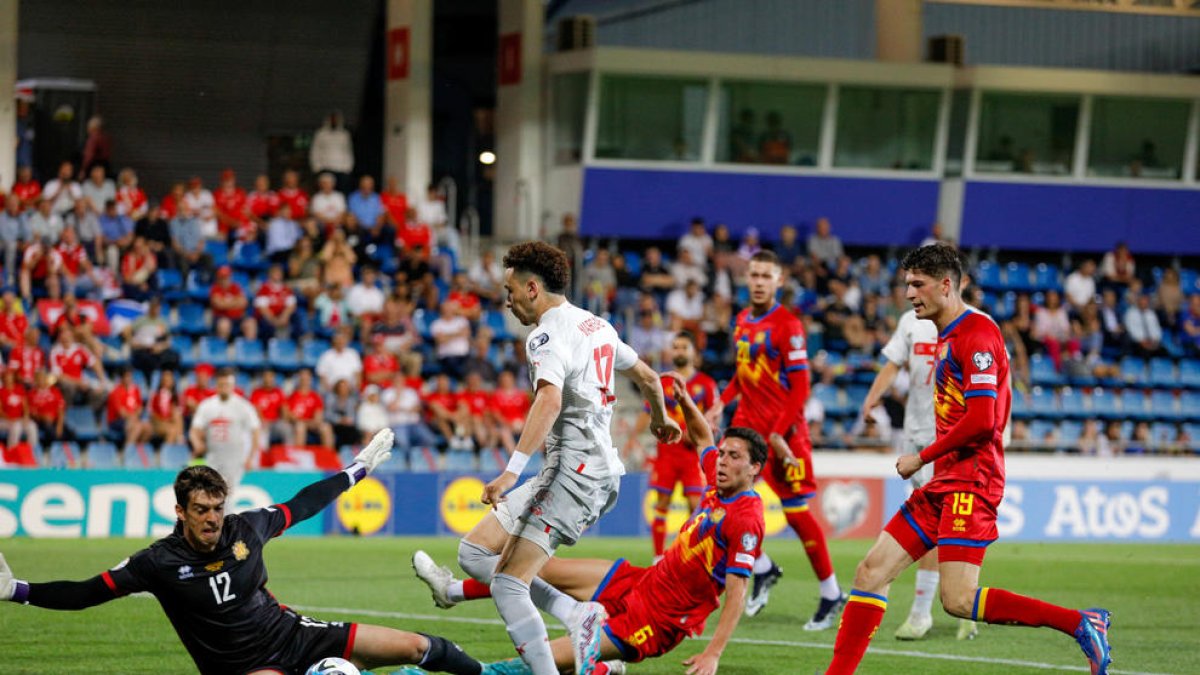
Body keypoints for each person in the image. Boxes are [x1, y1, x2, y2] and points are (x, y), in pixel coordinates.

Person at [0, 432, 520, 675]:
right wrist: (17, 591)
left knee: (418, 645)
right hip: (244, 668)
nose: (212, 518)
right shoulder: (156, 564)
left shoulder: (245, 527)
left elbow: (302, 504)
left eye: (217, 508)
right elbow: (85, 593)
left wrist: (355, 471)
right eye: (201, 509)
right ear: (180, 511)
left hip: (294, 635)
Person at [825, 244, 1111, 675]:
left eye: (917, 284)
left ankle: (1080, 623)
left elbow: (981, 420)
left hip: (971, 482)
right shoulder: (945, 333)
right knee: (870, 571)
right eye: (906, 284)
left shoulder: (977, 334)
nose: (908, 293)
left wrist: (921, 456)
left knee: (958, 600)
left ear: (945, 285)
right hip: (946, 479)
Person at [414, 371, 765, 675]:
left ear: (754, 469)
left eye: (733, 457)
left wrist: (713, 652)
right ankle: (451, 591)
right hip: (641, 581)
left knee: (541, 659)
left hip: (659, 620)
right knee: (536, 567)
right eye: (723, 454)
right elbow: (704, 438)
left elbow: (736, 593)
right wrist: (686, 402)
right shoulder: (717, 484)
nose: (721, 462)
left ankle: (599, 667)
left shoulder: (746, 519)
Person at [474, 241, 680, 675]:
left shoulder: (545, 335)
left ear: (532, 288)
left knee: (509, 585)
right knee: (475, 552)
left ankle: (563, 646)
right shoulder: (597, 325)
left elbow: (548, 401)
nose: (507, 301)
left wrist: (511, 472)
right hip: (596, 471)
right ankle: (573, 613)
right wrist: (660, 420)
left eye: (511, 291)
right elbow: (648, 377)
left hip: (573, 473)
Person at [703, 250, 845, 626]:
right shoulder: (742, 320)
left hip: (785, 433)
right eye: (755, 275)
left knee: (798, 515)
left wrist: (780, 433)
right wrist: (722, 402)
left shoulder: (789, 326)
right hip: (749, 428)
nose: (760, 282)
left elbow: (801, 386)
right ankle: (762, 567)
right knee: (723, 500)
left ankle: (831, 593)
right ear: (747, 278)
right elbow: (742, 372)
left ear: (779, 281)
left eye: (767, 275)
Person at [858, 278, 979, 641]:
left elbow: (994, 391)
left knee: (939, 522)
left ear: (959, 282)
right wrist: (872, 397)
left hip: (953, 440)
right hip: (917, 435)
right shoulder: (911, 323)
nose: (914, 291)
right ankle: (966, 602)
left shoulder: (978, 325)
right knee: (943, 524)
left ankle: (922, 611)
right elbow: (893, 364)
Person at [623, 330, 716, 558]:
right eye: (675, 347)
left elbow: (713, 419)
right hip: (666, 454)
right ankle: (658, 559)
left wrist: (694, 435)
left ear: (694, 352)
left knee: (696, 506)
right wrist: (633, 437)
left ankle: (691, 555)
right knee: (661, 505)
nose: (679, 351)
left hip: (692, 455)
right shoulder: (662, 382)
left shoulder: (705, 384)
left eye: (684, 347)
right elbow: (648, 412)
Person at [189, 367, 263, 503]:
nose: (224, 388)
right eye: (221, 384)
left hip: (235, 460)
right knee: (210, 496)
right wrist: (197, 443)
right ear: (216, 385)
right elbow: (195, 429)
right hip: (212, 457)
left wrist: (251, 457)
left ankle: (225, 523)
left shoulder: (243, 406)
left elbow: (256, 430)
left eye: (227, 385)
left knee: (227, 496)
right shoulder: (207, 406)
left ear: (233, 385)